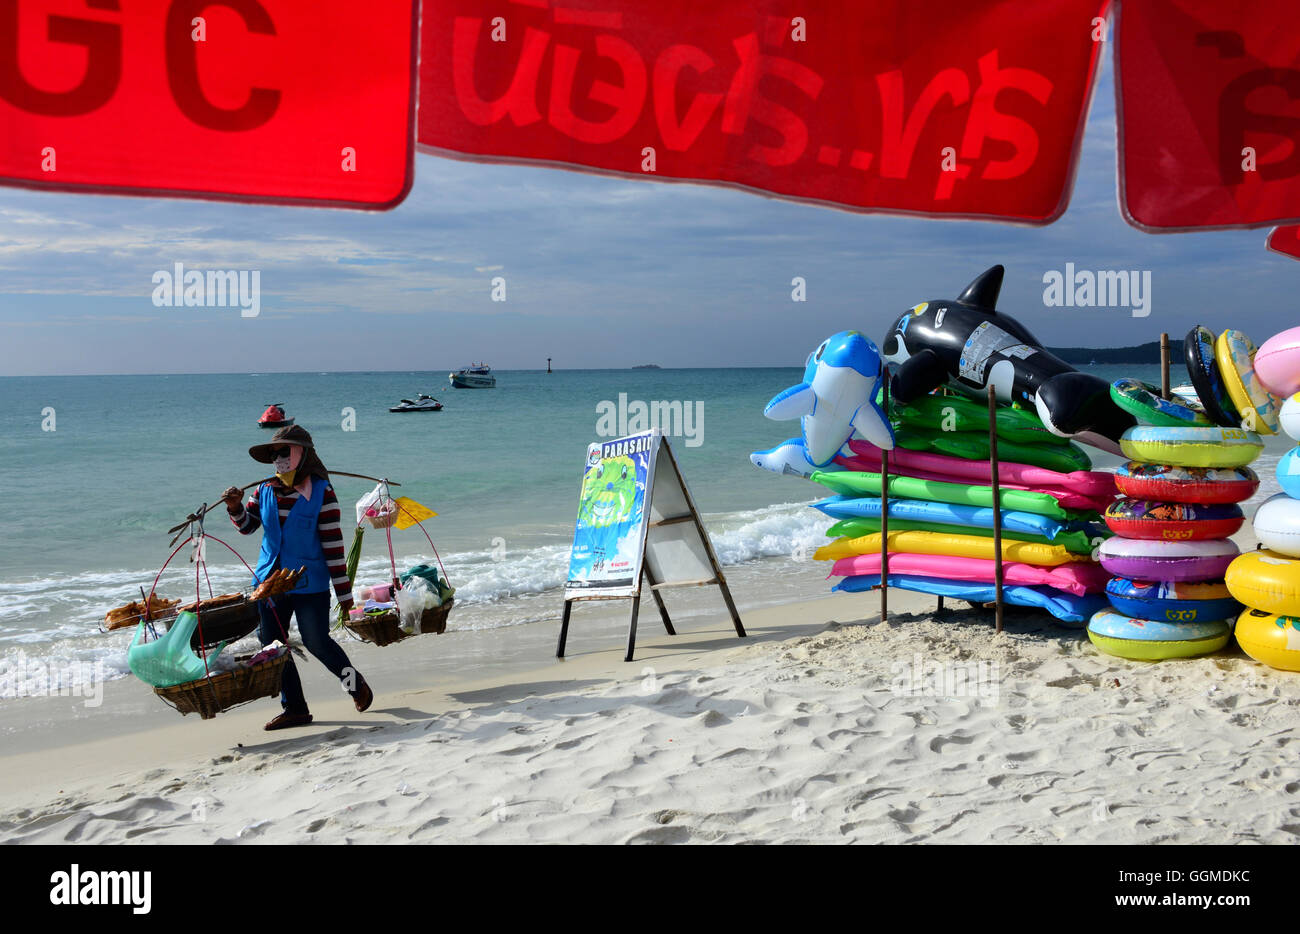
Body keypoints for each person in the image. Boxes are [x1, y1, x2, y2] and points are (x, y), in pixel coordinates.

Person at [223, 425, 373, 730]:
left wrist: (344, 596)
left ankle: (355, 684)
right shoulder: (264, 490)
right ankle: (295, 708)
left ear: (302, 455)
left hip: (310, 583)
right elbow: (248, 526)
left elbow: (333, 546)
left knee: (316, 641)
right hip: (268, 583)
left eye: (284, 452)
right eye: (274, 453)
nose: (278, 458)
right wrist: (235, 507)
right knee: (272, 646)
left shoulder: (321, 493)